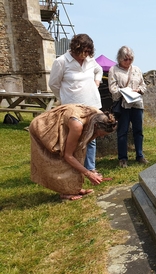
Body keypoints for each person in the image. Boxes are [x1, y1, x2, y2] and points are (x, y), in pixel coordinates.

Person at [30, 104, 117, 200]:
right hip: (44, 127)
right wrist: (89, 174)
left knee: (78, 154)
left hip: (65, 123)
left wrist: (88, 172)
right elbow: (68, 156)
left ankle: (73, 188)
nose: (101, 137)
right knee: (60, 157)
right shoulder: (77, 126)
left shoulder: (101, 117)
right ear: (95, 126)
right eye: (100, 134)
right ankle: (65, 192)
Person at [48, 33, 103, 175]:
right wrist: (64, 99)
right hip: (73, 109)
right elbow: (53, 84)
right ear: (75, 48)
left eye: (88, 52)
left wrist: (97, 81)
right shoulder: (61, 62)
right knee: (73, 139)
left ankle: (90, 168)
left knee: (91, 137)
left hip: (92, 105)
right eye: (83, 51)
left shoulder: (90, 60)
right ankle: (74, 170)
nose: (85, 55)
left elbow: (99, 70)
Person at [108, 46, 148, 168]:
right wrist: (124, 91)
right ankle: (123, 158)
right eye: (126, 59)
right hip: (123, 105)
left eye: (130, 59)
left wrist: (139, 90)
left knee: (138, 131)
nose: (128, 61)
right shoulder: (113, 70)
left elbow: (144, 85)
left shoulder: (136, 70)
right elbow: (113, 89)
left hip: (136, 104)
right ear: (119, 58)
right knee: (122, 132)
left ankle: (140, 155)